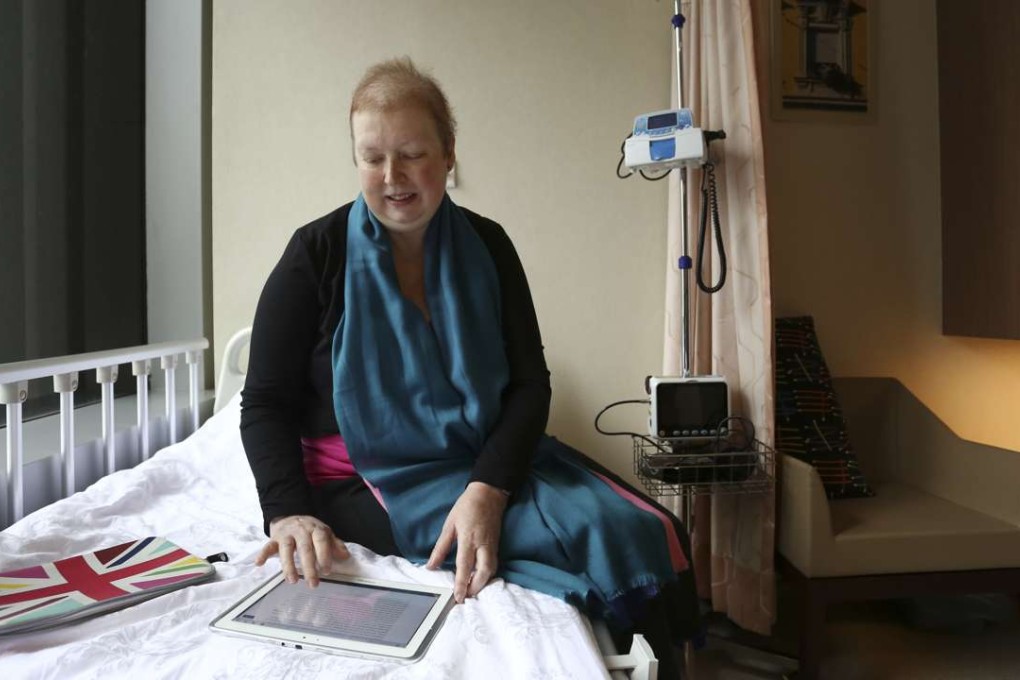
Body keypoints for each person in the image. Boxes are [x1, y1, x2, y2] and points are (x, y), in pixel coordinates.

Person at [240, 57, 699, 678]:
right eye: (372, 158)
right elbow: (264, 402)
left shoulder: (490, 245)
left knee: (640, 524)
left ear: (449, 154)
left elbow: (530, 386)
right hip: (363, 477)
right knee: (568, 540)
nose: (393, 177)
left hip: (478, 458)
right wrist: (287, 510)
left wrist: (488, 488)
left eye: (412, 154)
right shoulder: (314, 254)